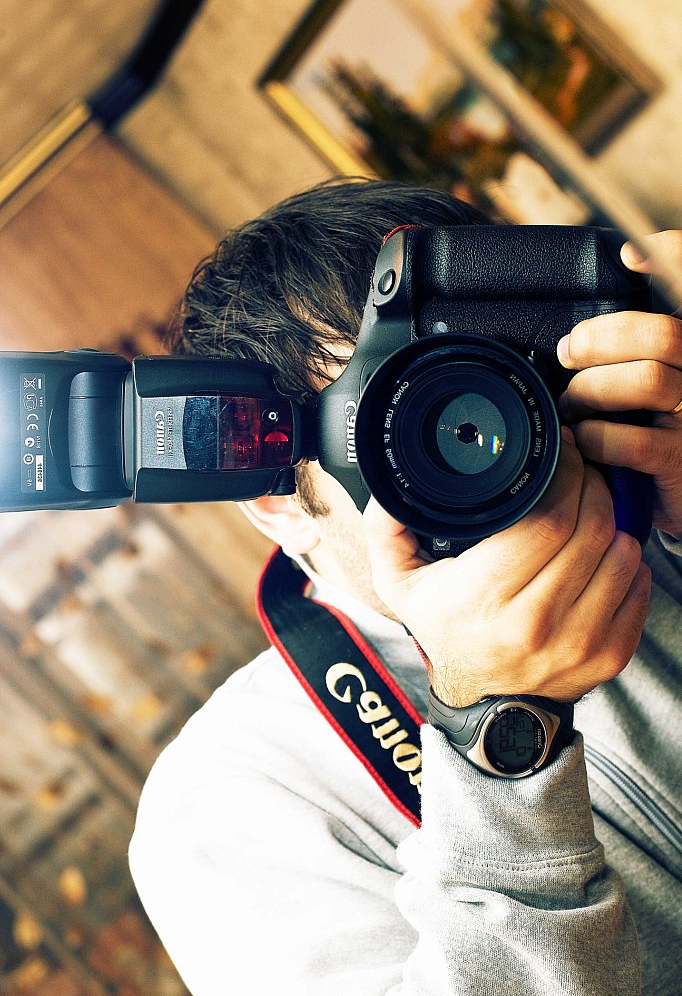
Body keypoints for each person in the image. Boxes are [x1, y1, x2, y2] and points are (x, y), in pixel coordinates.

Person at [129, 179, 682, 995]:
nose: (480, 436)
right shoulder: (228, 800)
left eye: (496, 377)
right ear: (280, 499)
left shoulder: (658, 499)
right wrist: (498, 738)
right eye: (400, 412)